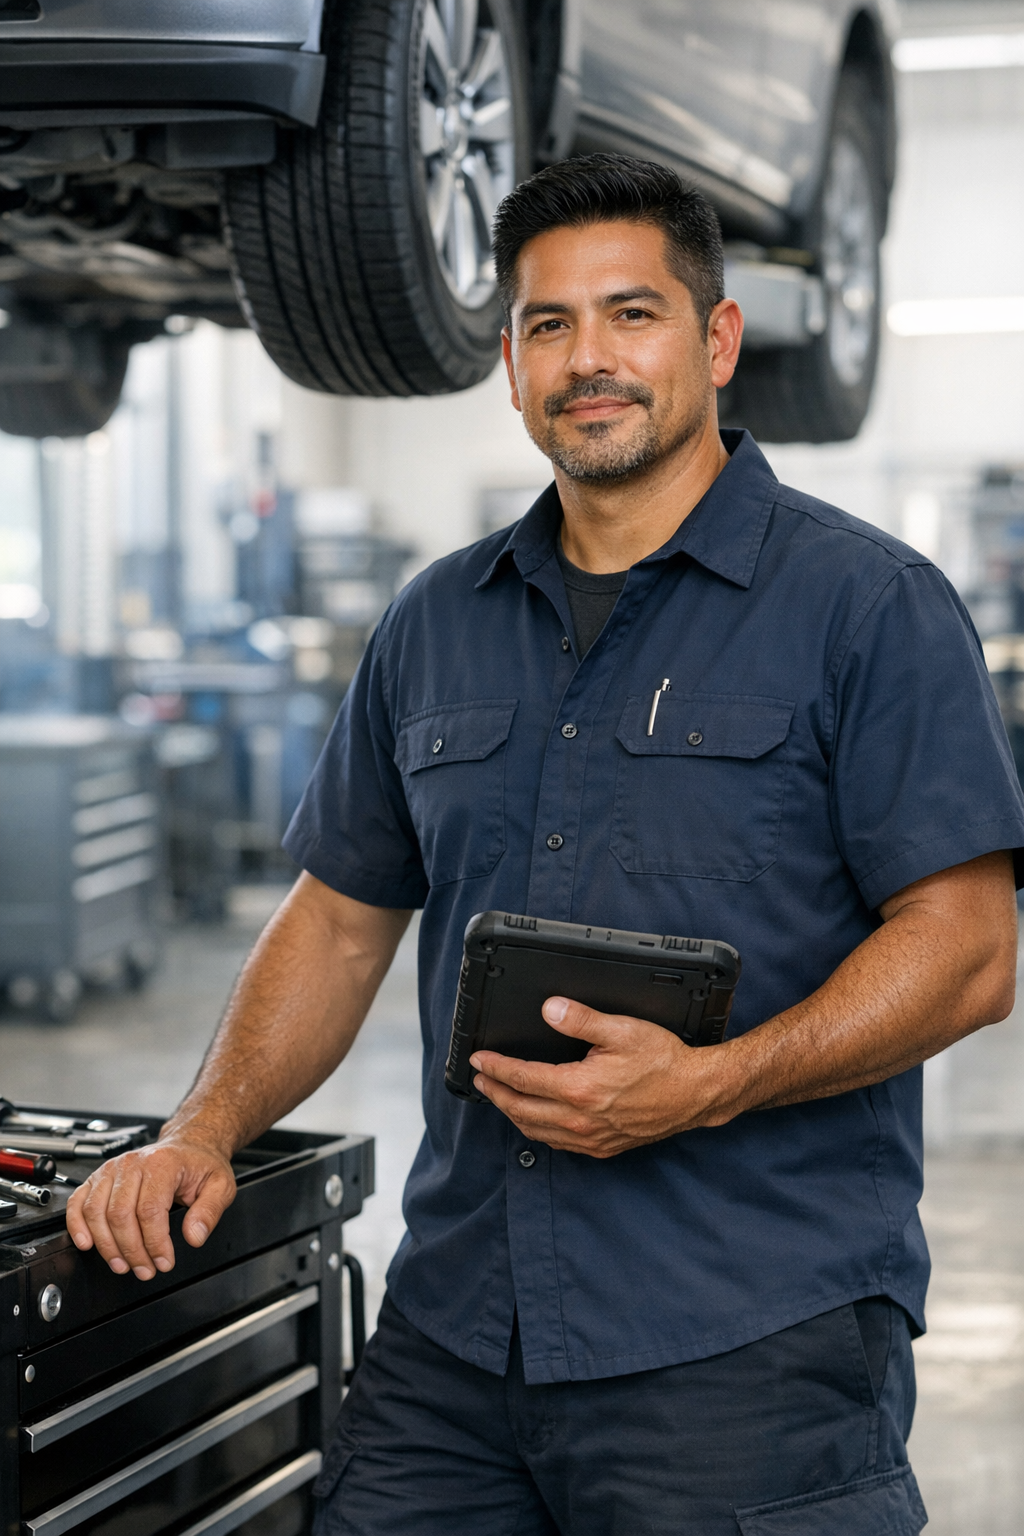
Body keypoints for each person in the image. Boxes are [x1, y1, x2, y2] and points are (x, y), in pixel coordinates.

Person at [68, 154, 1024, 1534]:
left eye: (632, 315)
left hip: (748, 1349)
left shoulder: (869, 608)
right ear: (511, 368)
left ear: (717, 340)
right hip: (457, 1336)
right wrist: (201, 1132)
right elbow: (338, 921)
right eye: (548, 326)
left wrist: (715, 1085)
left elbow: (968, 949)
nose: (591, 360)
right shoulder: (435, 622)